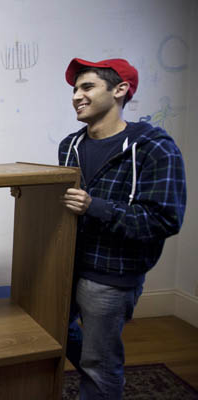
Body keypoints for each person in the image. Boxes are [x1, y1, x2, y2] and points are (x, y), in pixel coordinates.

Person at [59, 57, 186, 399]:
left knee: (101, 364)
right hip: (67, 268)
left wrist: (95, 206)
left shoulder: (155, 148)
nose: (76, 96)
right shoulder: (68, 145)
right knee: (54, 332)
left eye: (87, 87)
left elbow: (164, 219)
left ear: (120, 90)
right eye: (74, 89)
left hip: (111, 278)